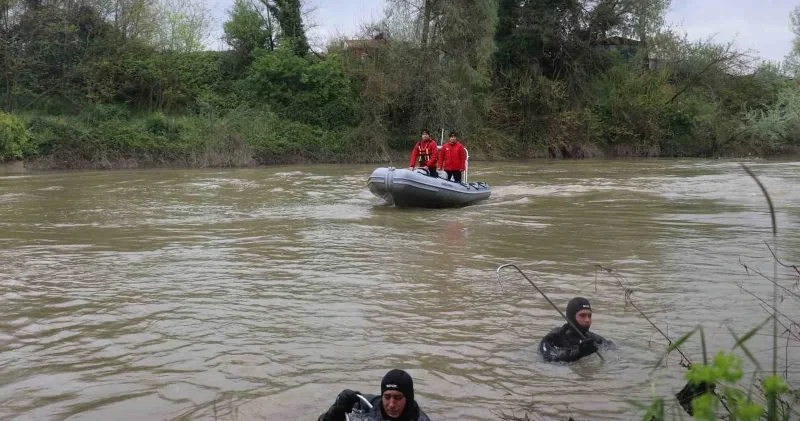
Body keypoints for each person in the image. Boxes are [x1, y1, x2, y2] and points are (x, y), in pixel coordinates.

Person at [318, 369, 431, 421]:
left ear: (408, 398)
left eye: (398, 397)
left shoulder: (420, 419)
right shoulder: (365, 404)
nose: (391, 404)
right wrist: (336, 409)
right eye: (387, 397)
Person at [538, 297, 612, 363]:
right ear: (571, 317)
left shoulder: (592, 338)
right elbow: (548, 358)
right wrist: (579, 353)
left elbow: (612, 348)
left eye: (589, 316)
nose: (587, 320)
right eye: (582, 315)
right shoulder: (554, 337)